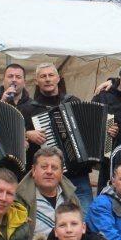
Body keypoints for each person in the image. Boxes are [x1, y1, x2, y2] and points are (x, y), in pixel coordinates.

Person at [20, 62, 93, 207]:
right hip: (47, 177)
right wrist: (27, 134)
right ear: (37, 81)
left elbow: (88, 128)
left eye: (51, 75)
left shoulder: (73, 102)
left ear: (58, 78)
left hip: (77, 175)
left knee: (82, 221)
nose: (47, 79)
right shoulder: (28, 109)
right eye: (43, 76)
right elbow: (15, 136)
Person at [15, 147, 80, 240]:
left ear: (61, 173)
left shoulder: (71, 197)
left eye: (54, 168)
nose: (49, 171)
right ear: (33, 170)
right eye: (44, 167)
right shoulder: (19, 199)